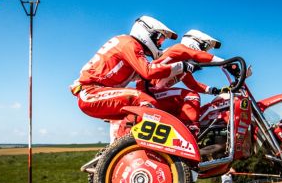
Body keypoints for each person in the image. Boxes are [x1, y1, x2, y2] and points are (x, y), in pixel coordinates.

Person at [70, 16, 198, 126]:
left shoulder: (129, 45)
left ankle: (129, 144)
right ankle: (145, 142)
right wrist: (181, 66)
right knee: (145, 100)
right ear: (147, 32)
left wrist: (174, 64)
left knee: (141, 111)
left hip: (95, 93)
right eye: (160, 39)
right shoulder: (130, 44)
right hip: (91, 92)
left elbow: (148, 74)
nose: (160, 44)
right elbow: (148, 71)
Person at [139, 29, 230, 136]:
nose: (205, 51)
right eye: (204, 47)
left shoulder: (182, 65)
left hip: (157, 95)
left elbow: (193, 84)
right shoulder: (178, 49)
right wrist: (227, 63)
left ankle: (182, 132)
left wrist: (216, 90)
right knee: (192, 97)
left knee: (183, 108)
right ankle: (188, 132)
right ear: (194, 42)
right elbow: (196, 54)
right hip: (148, 91)